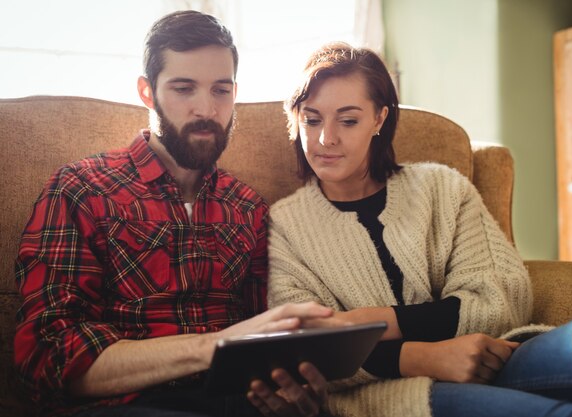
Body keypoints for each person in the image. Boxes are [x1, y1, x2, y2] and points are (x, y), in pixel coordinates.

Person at [267, 41, 572, 417]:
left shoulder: (442, 188)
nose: (326, 139)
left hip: (499, 356)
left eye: (348, 120)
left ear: (379, 119)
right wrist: (423, 358)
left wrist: (372, 321)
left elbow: (500, 298)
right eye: (312, 119)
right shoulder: (285, 226)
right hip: (394, 397)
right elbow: (305, 349)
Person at [14, 11, 335, 417]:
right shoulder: (82, 189)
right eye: (184, 88)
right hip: (127, 406)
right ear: (147, 92)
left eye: (221, 90)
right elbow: (46, 358)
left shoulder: (247, 207)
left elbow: (264, 338)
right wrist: (212, 345)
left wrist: (294, 390)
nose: (206, 109)